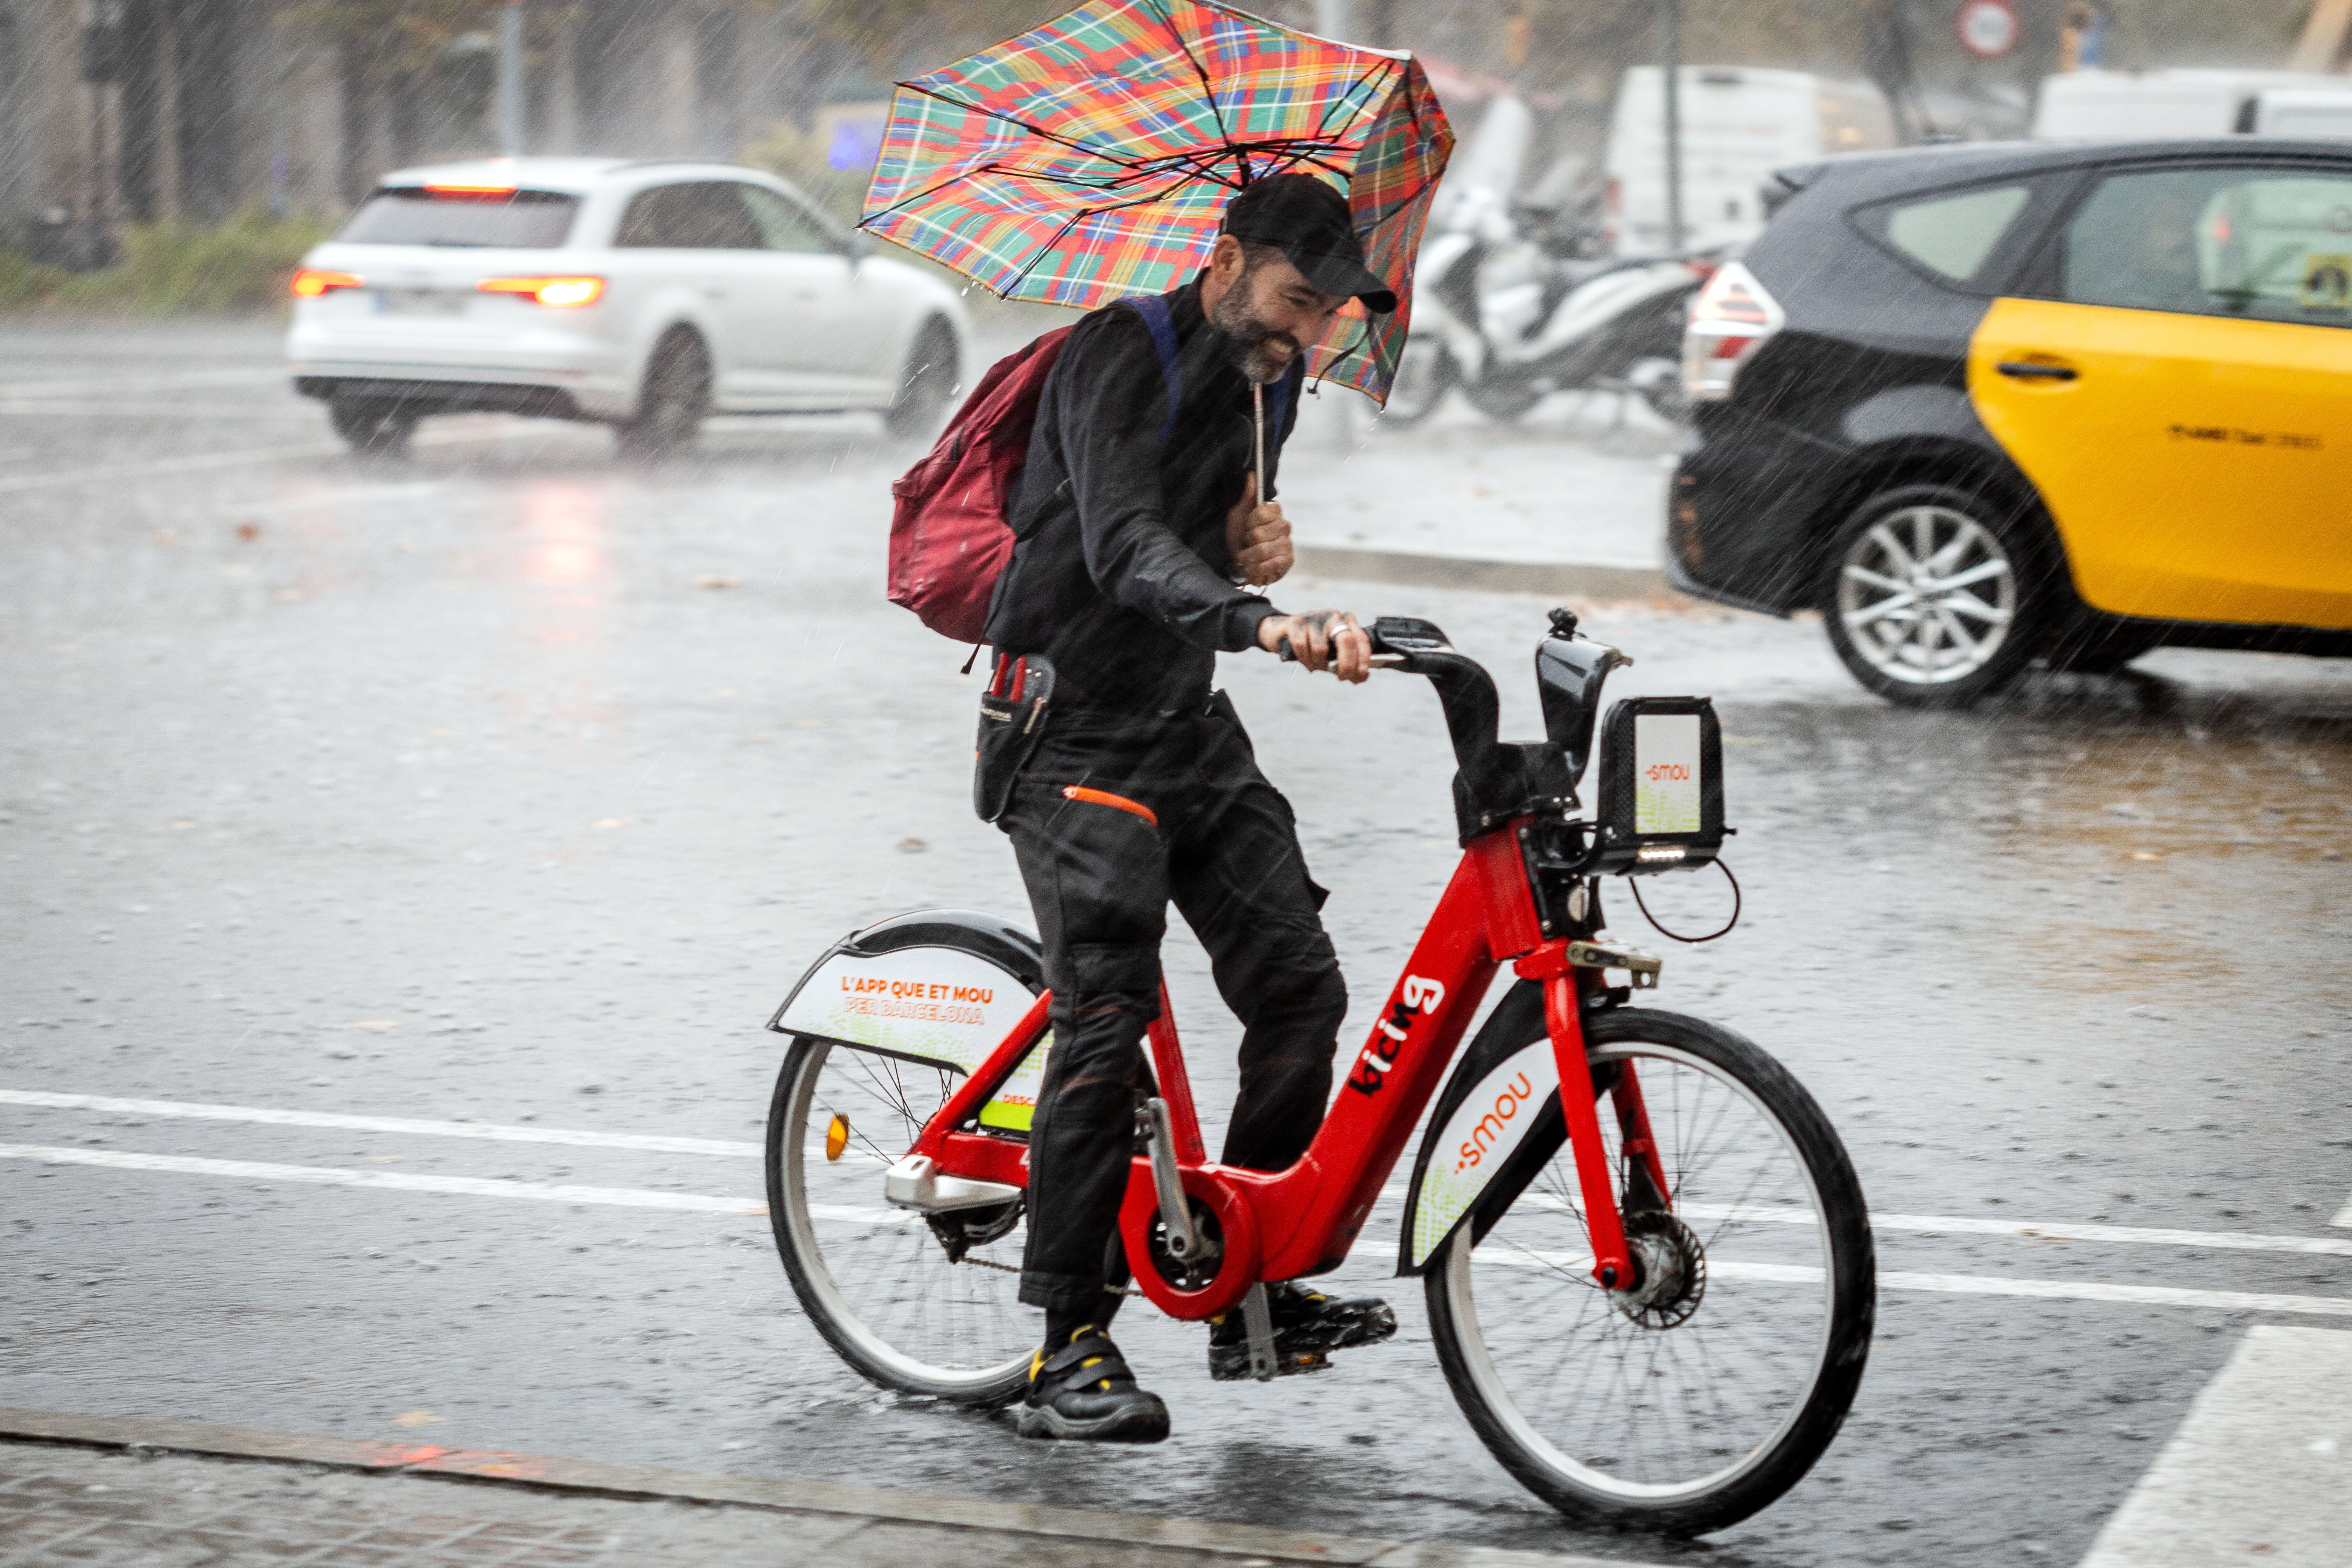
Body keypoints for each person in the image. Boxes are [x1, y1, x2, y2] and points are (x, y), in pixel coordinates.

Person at [981, 174, 1398, 1443]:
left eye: (1329, 314)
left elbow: (1201, 548)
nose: (1310, 331)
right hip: (1071, 730)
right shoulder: (1117, 352)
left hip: (1183, 722)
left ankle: (1250, 1291)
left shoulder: (1269, 381)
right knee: (1106, 1016)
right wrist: (1256, 612)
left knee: (1298, 985)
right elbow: (1120, 547)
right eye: (1293, 300)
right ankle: (1068, 1343)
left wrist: (1252, 548)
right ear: (1224, 262)